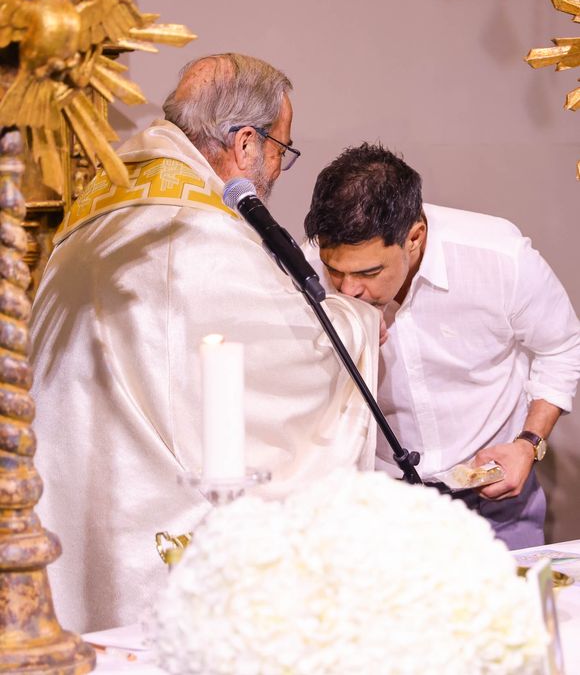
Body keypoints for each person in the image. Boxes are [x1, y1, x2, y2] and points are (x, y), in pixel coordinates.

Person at [30, 54, 380, 632]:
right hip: (152, 515)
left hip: (67, 492)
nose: (276, 168)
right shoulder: (194, 231)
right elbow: (298, 360)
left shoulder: (101, 203)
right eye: (280, 149)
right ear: (245, 143)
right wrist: (358, 322)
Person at [304, 143, 580, 550]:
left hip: (495, 501)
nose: (349, 289)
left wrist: (530, 443)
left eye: (369, 272)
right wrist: (340, 340)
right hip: (381, 506)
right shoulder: (309, 271)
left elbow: (562, 347)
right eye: (335, 270)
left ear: (413, 237)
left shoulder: (498, 257)